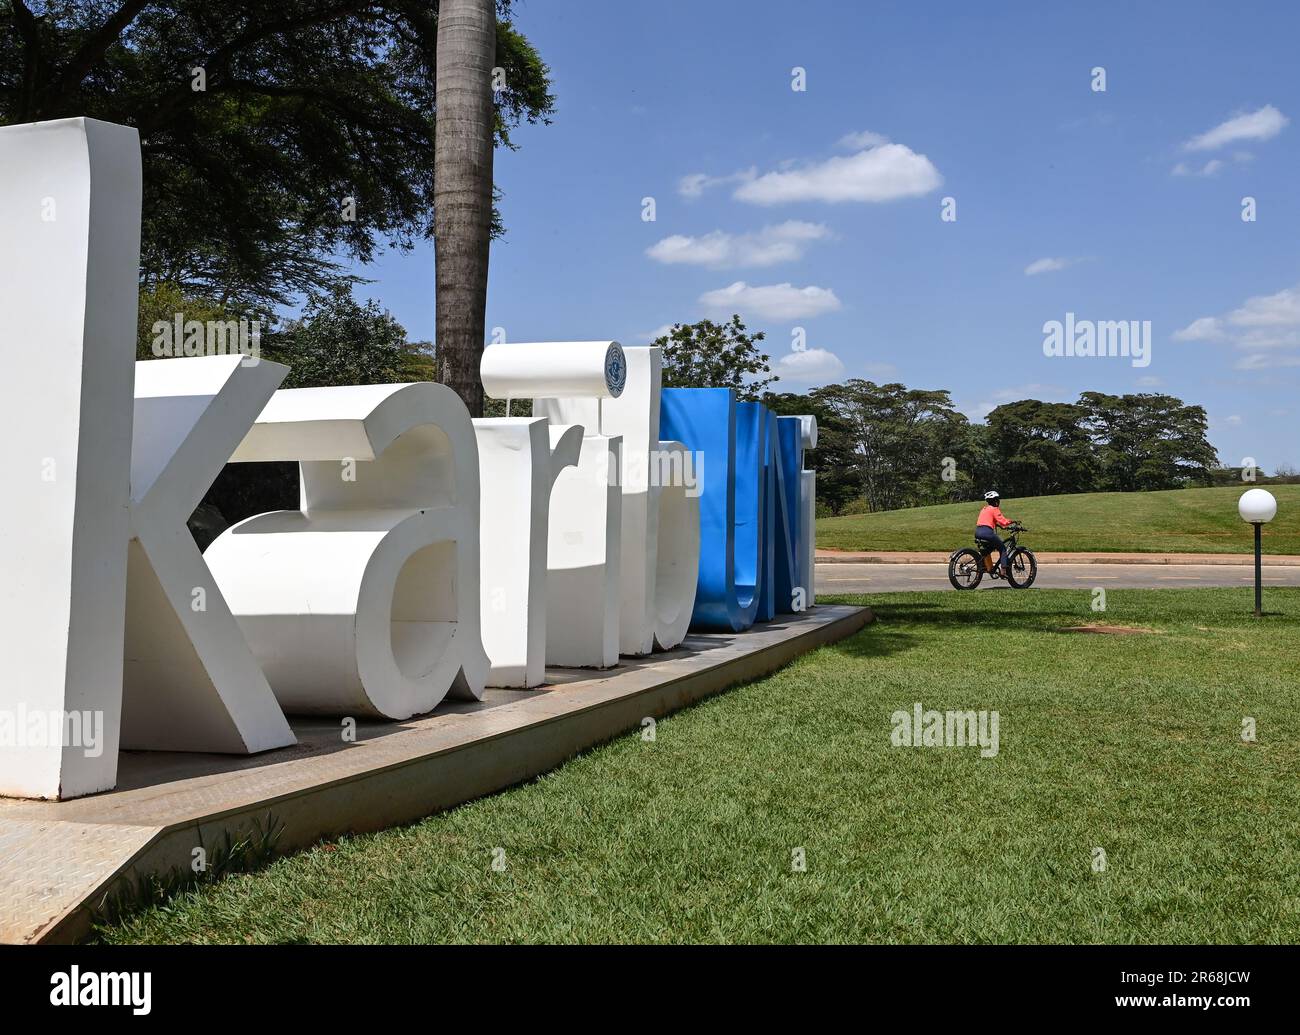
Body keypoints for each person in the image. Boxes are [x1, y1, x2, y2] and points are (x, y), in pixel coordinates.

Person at [975, 490, 1015, 577]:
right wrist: (1012, 521)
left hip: (978, 531)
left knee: (988, 549)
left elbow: (987, 520)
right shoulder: (995, 509)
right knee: (1002, 548)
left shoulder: (984, 509)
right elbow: (1003, 521)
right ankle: (1003, 571)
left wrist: (998, 525)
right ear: (996, 500)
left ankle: (989, 568)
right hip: (987, 532)